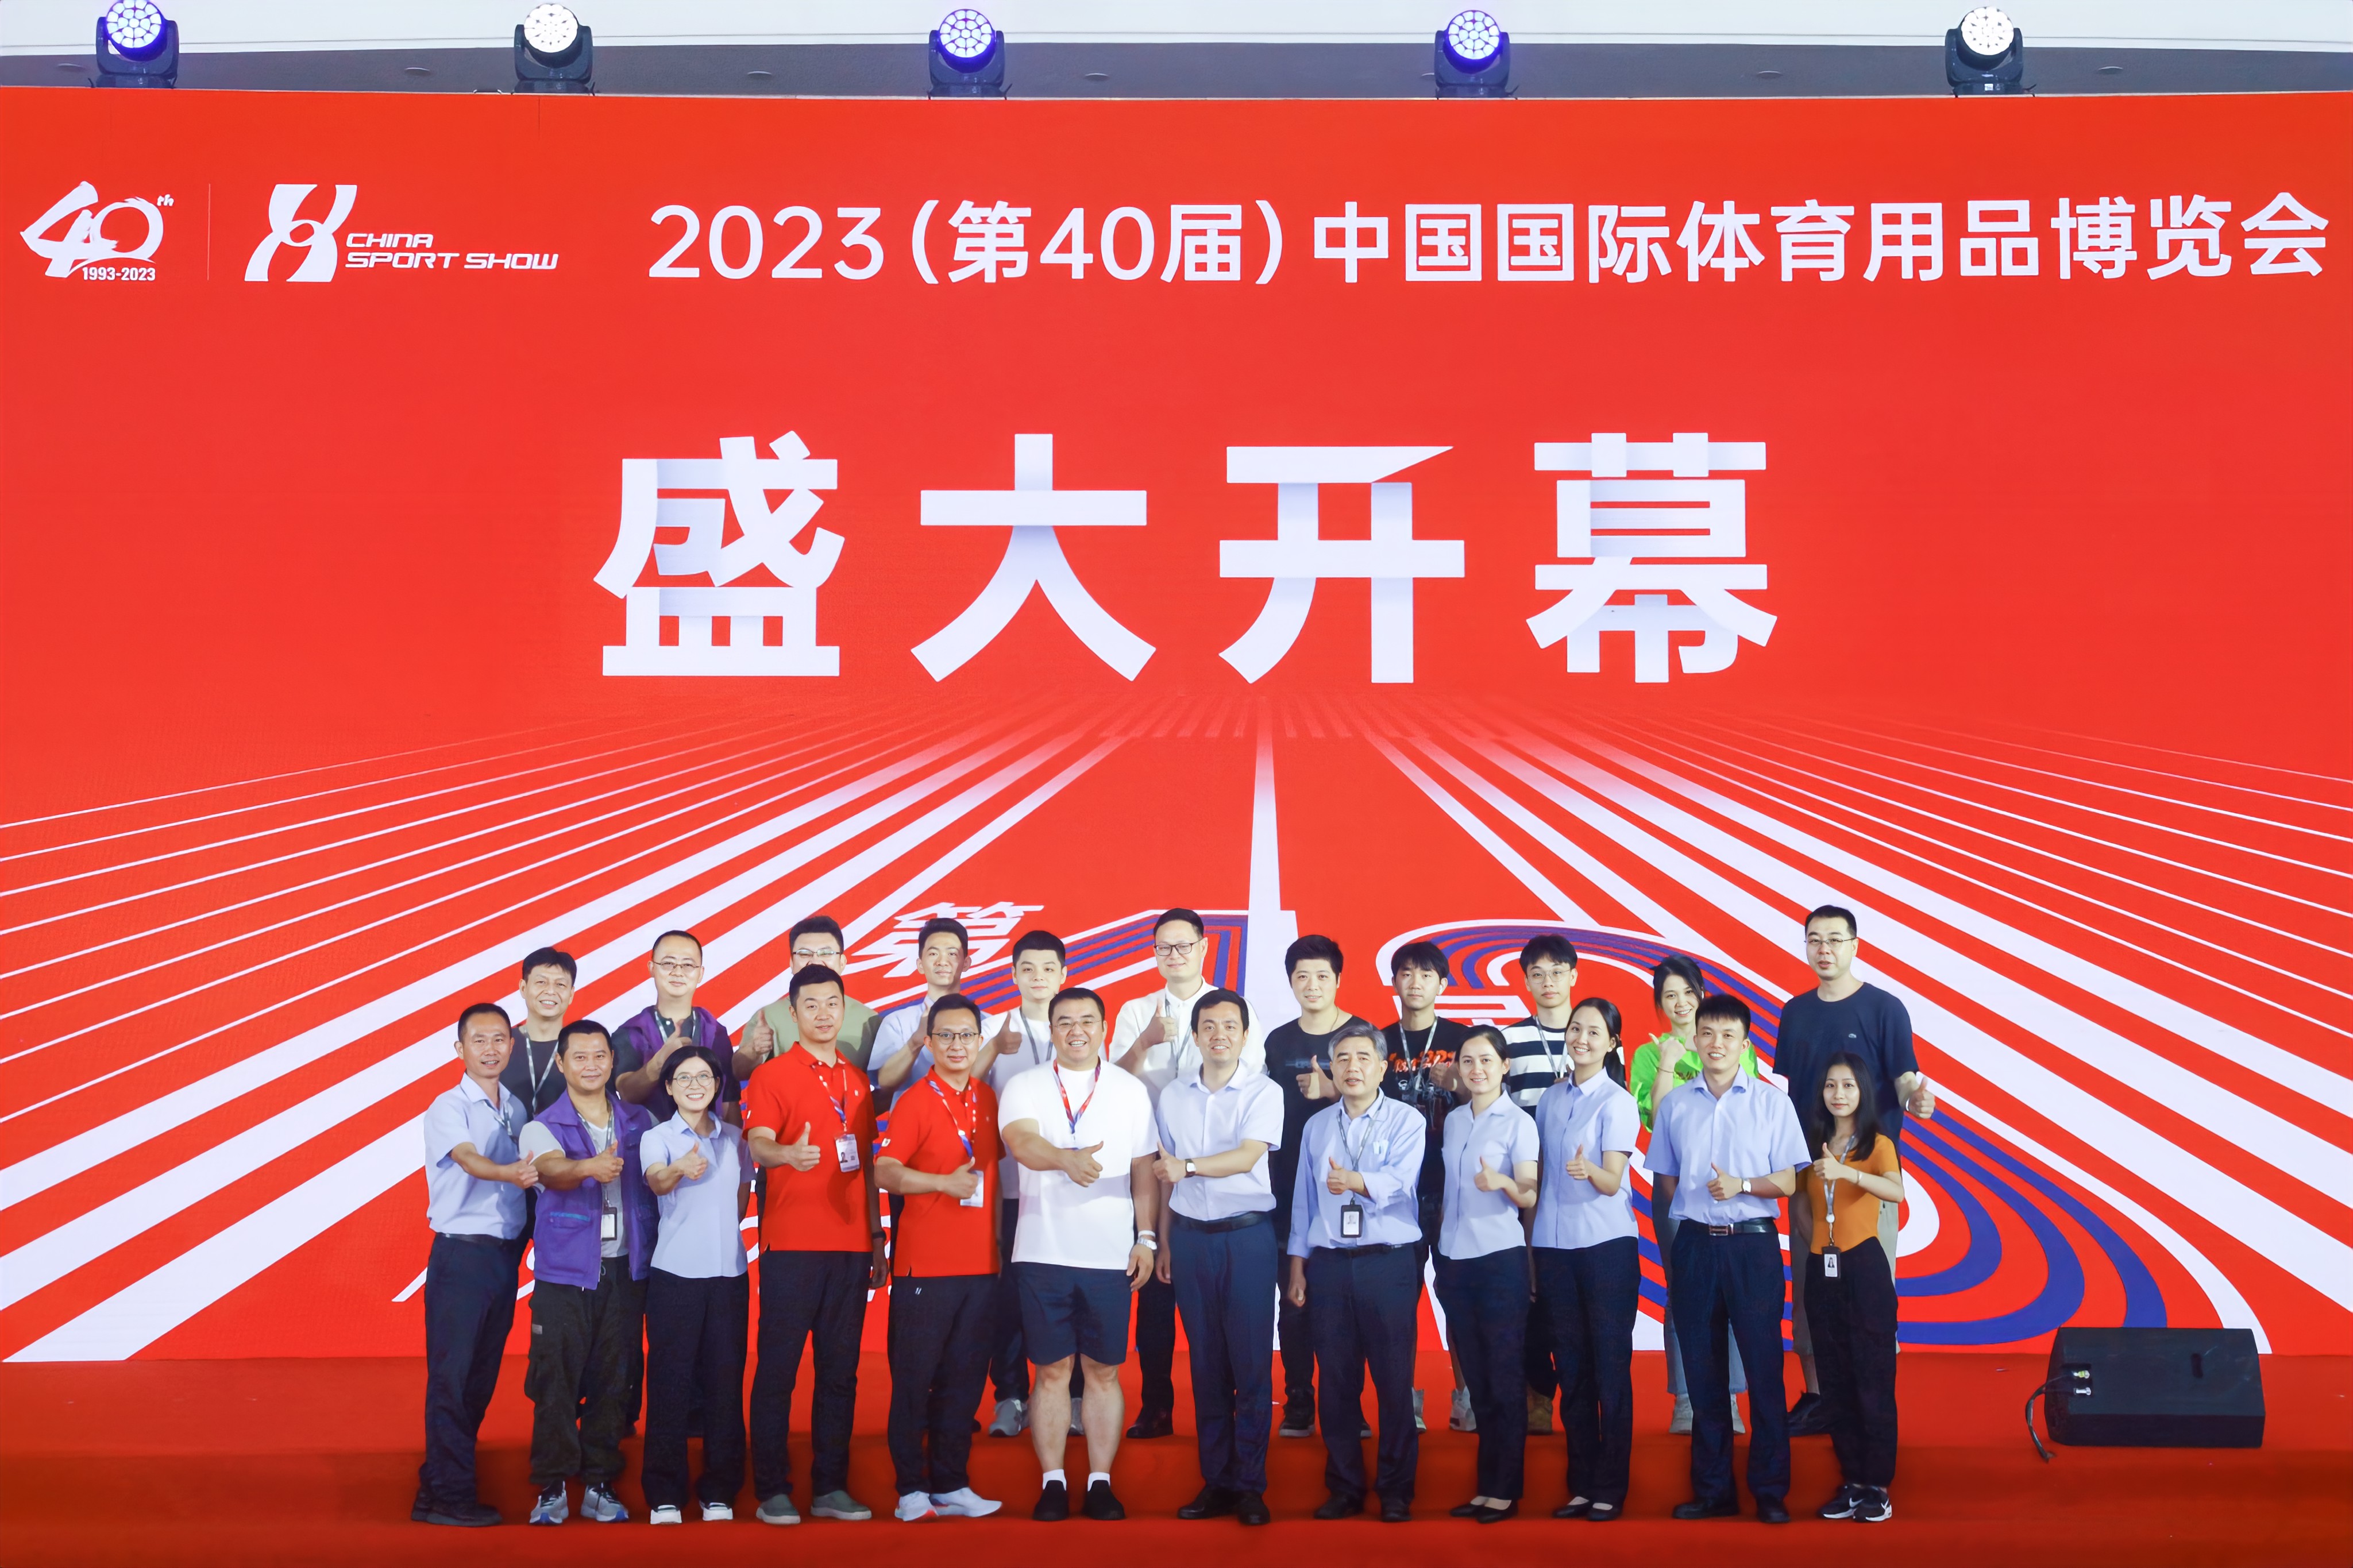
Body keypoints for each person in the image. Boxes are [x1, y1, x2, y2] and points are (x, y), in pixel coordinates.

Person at [997, 986, 1161, 1522]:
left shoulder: (1129, 1090)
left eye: (1087, 1021)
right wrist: (1066, 1159)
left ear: (1103, 1028)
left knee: (1103, 1371)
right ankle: (1052, 1482)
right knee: (1050, 1371)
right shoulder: (1025, 1085)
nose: (1076, 1031)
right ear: (1051, 1030)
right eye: (1065, 1021)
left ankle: (1099, 1482)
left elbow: (1143, 1169)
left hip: (1111, 1256)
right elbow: (1021, 1142)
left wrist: (1146, 1237)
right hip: (1042, 1251)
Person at [1648, 994, 1807, 1524]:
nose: (1716, 1044)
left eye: (1728, 1035)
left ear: (1745, 1044)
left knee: (1764, 1368)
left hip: (1752, 1244)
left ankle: (1770, 1491)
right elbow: (1666, 1182)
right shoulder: (1675, 1105)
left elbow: (1789, 1181)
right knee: (1703, 1371)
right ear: (1695, 1039)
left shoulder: (1771, 1103)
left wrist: (1742, 1186)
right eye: (1708, 1033)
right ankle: (1714, 1490)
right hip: (1695, 1244)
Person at [1775, 905, 1932, 1438]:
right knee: (1809, 1293)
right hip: (1808, 1174)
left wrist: (1917, 1100)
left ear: (1855, 946)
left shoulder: (1885, 1008)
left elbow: (1906, 1079)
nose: (1824, 950)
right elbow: (1787, 1095)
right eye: (1815, 940)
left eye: (1835, 940)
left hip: (1865, 1180)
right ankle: (1819, 1397)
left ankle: (1872, 1404)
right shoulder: (1795, 1012)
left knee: (1870, 1299)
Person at [1110, 908, 1266, 1439]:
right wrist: (1146, 1040)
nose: (1173, 955)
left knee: (1222, 1310)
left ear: (1204, 948)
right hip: (1150, 1164)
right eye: (1164, 947)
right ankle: (1156, 1405)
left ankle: (1230, 1413)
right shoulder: (1136, 1010)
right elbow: (1113, 1083)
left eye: (1183, 945)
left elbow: (1252, 1080)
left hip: (1217, 1167)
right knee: (1154, 1293)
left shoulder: (1231, 1009)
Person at [742, 964, 886, 1526]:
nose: (823, 1014)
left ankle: (830, 1486)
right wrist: (787, 1155)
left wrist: (876, 1237)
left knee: (840, 1372)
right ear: (793, 1012)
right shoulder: (772, 1075)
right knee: (778, 1370)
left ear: (844, 1009)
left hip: (851, 1248)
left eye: (833, 1003)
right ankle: (771, 1489)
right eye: (811, 1005)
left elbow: (866, 1164)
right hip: (793, 1246)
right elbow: (759, 1143)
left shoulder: (856, 1080)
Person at [1151, 988, 1284, 1526]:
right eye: (1208, 1026)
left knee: (1250, 1364)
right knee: (1205, 1363)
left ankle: (1251, 1486)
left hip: (1247, 1238)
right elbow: (1164, 1176)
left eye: (1230, 1026)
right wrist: (1162, 1240)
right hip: (1189, 1239)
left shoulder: (1265, 1091)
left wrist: (1189, 1167)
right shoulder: (1172, 1096)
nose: (1219, 1035)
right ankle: (1217, 1482)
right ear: (1195, 1035)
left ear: (1245, 1035)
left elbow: (1248, 1156)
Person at [874, 992, 1009, 1523]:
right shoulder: (914, 1100)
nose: (957, 1045)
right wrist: (940, 1184)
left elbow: (994, 1180)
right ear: (929, 1042)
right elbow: (885, 1171)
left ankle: (952, 1483)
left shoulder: (987, 1098)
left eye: (966, 1035)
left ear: (979, 1041)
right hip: (925, 1268)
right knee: (914, 1380)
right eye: (946, 1035)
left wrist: (998, 1247)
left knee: (965, 1379)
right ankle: (910, 1488)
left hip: (981, 1267)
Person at [1287, 1019, 1428, 1524]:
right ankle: (1345, 1486)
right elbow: (1304, 1202)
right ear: (1331, 1068)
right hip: (1328, 1265)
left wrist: (1354, 1181)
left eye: (1363, 1058)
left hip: (1388, 1262)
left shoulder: (1407, 1120)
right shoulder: (1317, 1126)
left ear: (1383, 1067)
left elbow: (1401, 1183)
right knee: (1336, 1382)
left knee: (1394, 1381)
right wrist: (1298, 1266)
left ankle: (1396, 1490)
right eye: (1342, 1059)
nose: (1352, 1068)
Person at [518, 1020, 655, 1527]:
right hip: (565, 1277)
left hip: (626, 1271)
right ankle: (552, 1485)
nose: (591, 1065)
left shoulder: (640, 1120)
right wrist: (586, 1169)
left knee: (614, 1379)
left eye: (600, 1055)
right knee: (554, 1379)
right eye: (579, 1056)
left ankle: (600, 1482)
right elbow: (551, 1171)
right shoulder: (542, 1126)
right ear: (561, 1063)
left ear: (612, 1061)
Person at [415, 1003, 538, 1527]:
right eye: (479, 1040)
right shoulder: (449, 1106)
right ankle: (450, 1495)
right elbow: (467, 1159)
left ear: (512, 1046)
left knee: (480, 1379)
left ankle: (437, 1488)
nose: (491, 1049)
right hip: (462, 1255)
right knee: (453, 1378)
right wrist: (512, 1173)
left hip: (502, 1258)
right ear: (460, 1049)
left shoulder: (516, 1106)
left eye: (499, 1040)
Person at [1628, 955, 1752, 1435]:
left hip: (1728, 1186)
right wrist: (1668, 1063)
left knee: (1730, 1289)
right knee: (1684, 1289)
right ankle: (1686, 1399)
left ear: (1701, 993)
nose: (1680, 1003)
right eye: (1669, 996)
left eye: (1687, 993)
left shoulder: (1733, 1045)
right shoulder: (1647, 1054)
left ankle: (1729, 1399)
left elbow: (1747, 1112)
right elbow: (1659, 1121)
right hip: (1675, 1188)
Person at [1533, 999, 1642, 1523]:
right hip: (1554, 1248)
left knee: (1609, 1368)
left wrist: (1589, 1171)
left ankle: (1611, 1487)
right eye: (1575, 1029)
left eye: (1594, 1032)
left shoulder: (1617, 1101)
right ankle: (1581, 1484)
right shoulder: (1551, 1099)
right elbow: (1541, 1179)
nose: (1581, 1038)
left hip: (1605, 1248)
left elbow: (1613, 1181)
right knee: (1571, 1368)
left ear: (1613, 1043)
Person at [639, 1043, 755, 1526]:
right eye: (684, 1078)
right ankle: (665, 1494)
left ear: (717, 1085)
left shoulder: (736, 1139)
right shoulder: (658, 1137)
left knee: (725, 1386)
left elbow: (742, 1199)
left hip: (729, 1277)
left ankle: (720, 1490)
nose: (695, 1085)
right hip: (676, 1277)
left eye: (704, 1077)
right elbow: (657, 1181)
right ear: (669, 1087)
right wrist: (679, 1170)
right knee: (670, 1384)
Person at [1432, 1026, 1538, 1523]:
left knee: (1503, 1377)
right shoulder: (1454, 1121)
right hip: (1455, 1260)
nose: (1477, 1070)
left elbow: (1530, 1192)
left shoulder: (1519, 1122)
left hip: (1499, 1260)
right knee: (1476, 1380)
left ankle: (1505, 1490)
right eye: (1468, 1061)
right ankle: (1486, 1486)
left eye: (1487, 1061)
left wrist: (1503, 1183)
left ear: (1505, 1066)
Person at [977, 930, 1071, 1439]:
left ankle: (1073, 1397)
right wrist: (993, 1049)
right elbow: (965, 1090)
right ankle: (1011, 1396)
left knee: (1070, 1295)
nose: (1038, 978)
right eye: (1027, 968)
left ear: (1063, 974)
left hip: (1070, 1190)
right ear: (1013, 974)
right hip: (1011, 1191)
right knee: (1009, 1298)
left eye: (1048, 968)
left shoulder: (1077, 1026)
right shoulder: (993, 1028)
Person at [1804, 1053, 1905, 1524]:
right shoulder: (1813, 1142)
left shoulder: (1877, 1143)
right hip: (1821, 1268)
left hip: (1864, 1267)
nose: (1838, 1094)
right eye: (1831, 1085)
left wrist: (1848, 1174)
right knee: (1835, 1379)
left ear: (1862, 1091)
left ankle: (1877, 1486)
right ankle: (1852, 1480)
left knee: (1872, 1376)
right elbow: (1800, 1202)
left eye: (1848, 1085)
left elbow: (1896, 1192)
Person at [1263, 934, 1355, 1439]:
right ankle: (1299, 1400)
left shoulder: (1362, 1035)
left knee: (1346, 1308)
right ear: (1291, 983)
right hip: (1288, 1191)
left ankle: (1349, 1406)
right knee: (1294, 1302)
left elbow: (1383, 1104)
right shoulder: (1277, 1042)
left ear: (1338, 979)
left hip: (1349, 1190)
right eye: (1302, 977)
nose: (1313, 985)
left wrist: (1333, 1090)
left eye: (1322, 976)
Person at [1378, 940, 1467, 1435]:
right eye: (1406, 973)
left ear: (1443, 984)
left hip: (1453, 1191)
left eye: (1426, 974)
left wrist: (1457, 1084)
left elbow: (1490, 1099)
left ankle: (1467, 1397)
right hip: (1396, 1194)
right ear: (1394, 982)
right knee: (1398, 1303)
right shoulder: (1377, 1042)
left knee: (1459, 1297)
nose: (1415, 983)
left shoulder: (1463, 1039)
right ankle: (1404, 1400)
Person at [1501, 932, 1580, 1434]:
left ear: (1574, 975)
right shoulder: (1508, 1040)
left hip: (1580, 1187)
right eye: (1537, 974)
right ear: (1526, 981)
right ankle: (1537, 1395)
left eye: (1557, 972)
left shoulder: (1596, 1032)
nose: (1548, 982)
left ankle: (1579, 1396)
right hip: (1525, 1186)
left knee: (1570, 1293)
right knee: (1527, 1293)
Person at [735, 915, 885, 1081]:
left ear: (842, 962)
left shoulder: (869, 1021)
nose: (815, 961)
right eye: (804, 954)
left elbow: (886, 1082)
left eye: (826, 953)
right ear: (792, 963)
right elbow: (738, 1072)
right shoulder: (768, 1017)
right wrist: (753, 1051)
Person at [614, 929, 738, 1122]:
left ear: (700, 974)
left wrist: (733, 1140)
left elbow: (730, 1102)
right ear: (652, 968)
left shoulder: (716, 1032)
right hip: (646, 1138)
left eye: (688, 965)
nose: (678, 972)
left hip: (709, 1138)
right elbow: (626, 1094)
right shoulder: (630, 1033)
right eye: (668, 963)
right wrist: (658, 1063)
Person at [873, 916, 993, 1100]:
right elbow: (884, 1083)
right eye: (933, 954)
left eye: (952, 954)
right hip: (913, 1117)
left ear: (966, 963)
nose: (942, 962)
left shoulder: (990, 1024)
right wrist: (915, 1042)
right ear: (920, 965)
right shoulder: (898, 1023)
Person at [502, 948, 580, 1117]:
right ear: (523, 988)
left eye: (560, 984)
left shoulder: (586, 1049)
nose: (551, 991)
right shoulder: (497, 1044)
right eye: (541, 982)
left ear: (571, 994)